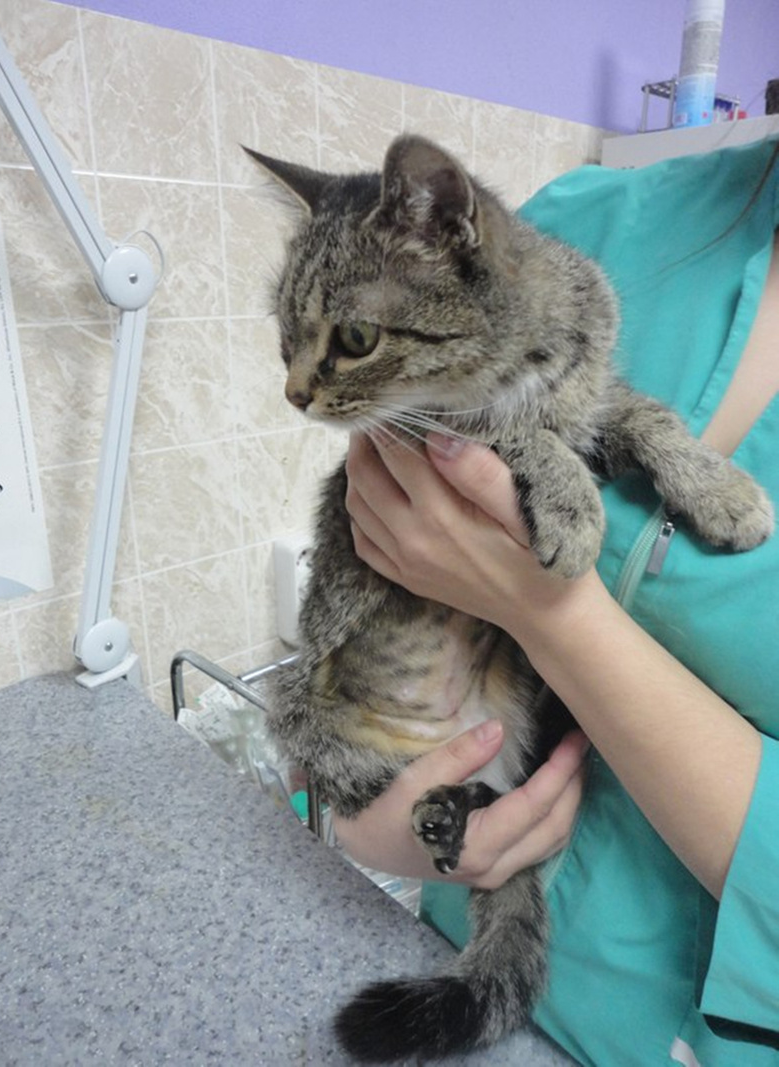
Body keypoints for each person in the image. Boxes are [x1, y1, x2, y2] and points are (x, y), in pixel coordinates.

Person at [333, 135, 779, 1066]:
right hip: (442, 943)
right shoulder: (586, 211)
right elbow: (373, 558)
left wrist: (551, 614)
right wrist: (373, 809)